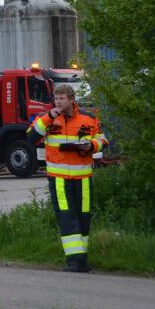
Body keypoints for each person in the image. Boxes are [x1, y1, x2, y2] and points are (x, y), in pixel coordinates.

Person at [26, 83, 107, 273]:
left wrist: (91, 146)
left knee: (83, 218)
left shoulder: (89, 118)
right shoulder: (46, 119)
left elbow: (103, 140)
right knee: (67, 217)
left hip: (84, 178)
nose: (58, 101)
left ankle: (82, 260)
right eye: (56, 98)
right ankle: (74, 261)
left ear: (72, 100)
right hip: (59, 179)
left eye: (62, 98)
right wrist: (49, 117)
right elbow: (30, 138)